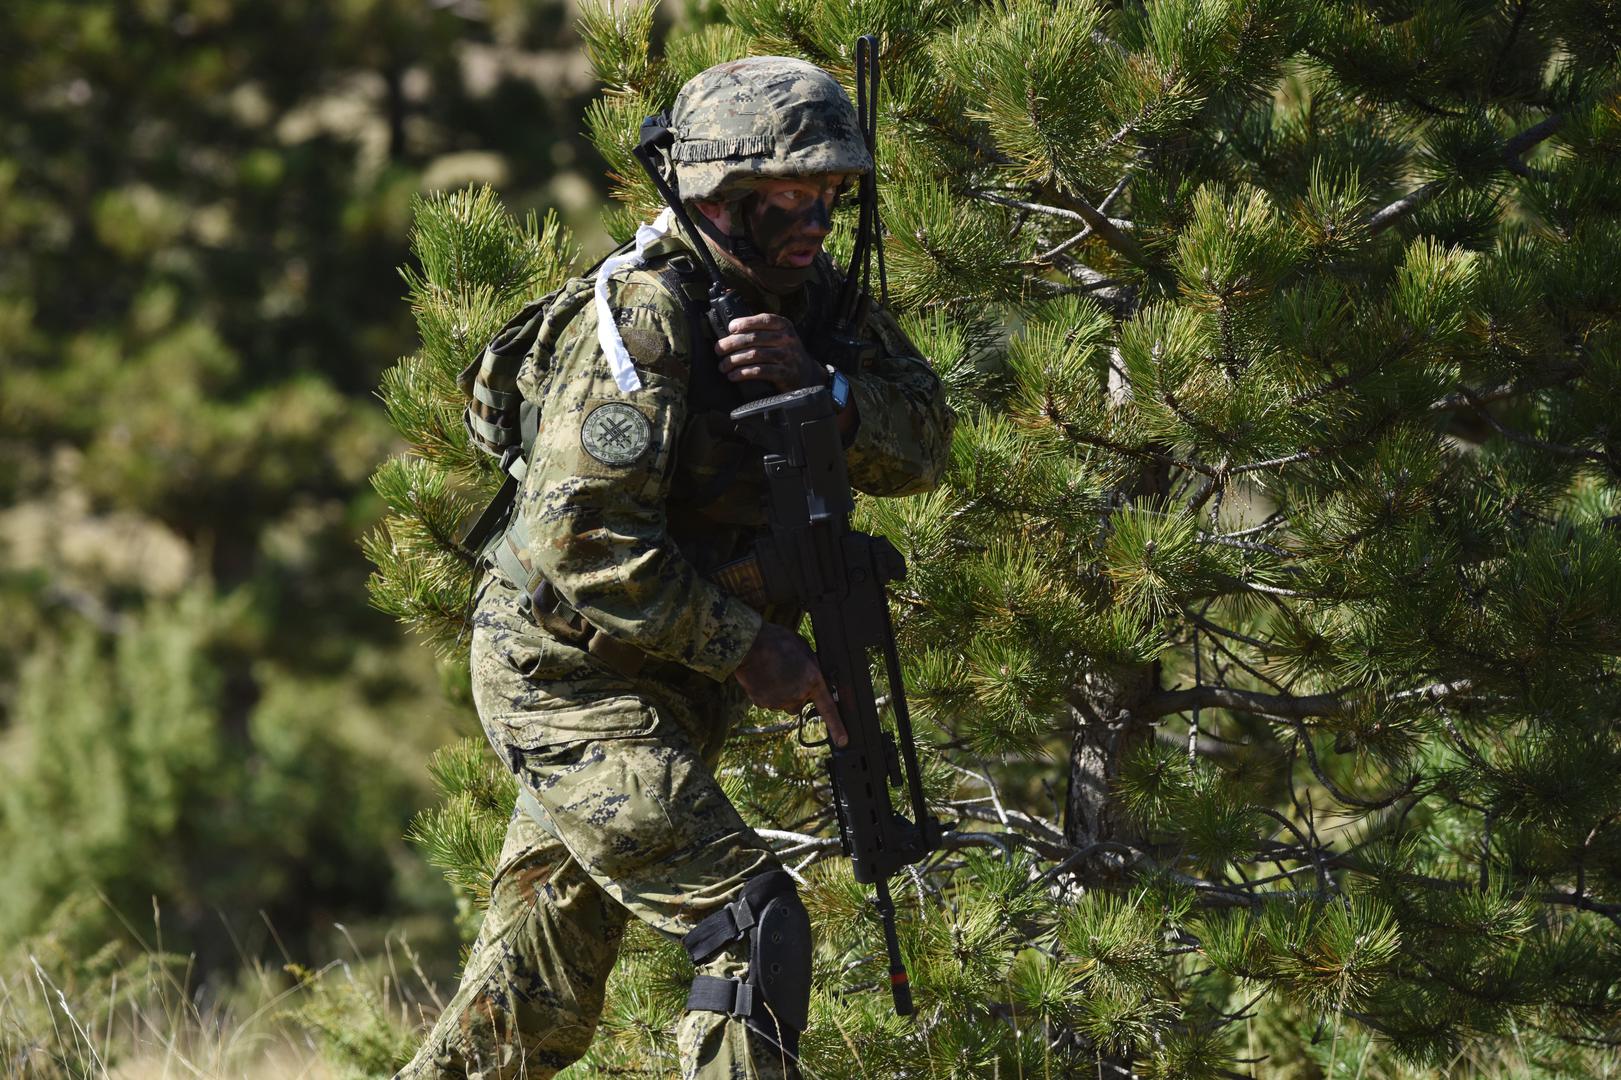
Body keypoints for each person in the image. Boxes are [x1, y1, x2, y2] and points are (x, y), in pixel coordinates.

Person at [397, 55, 953, 1080]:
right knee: (750, 925)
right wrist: (750, 650)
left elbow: (923, 445)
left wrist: (824, 389)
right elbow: (585, 544)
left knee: (531, 1006)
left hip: (668, 681)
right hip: (566, 676)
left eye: (826, 194)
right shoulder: (648, 321)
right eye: (781, 196)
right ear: (713, 198)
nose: (811, 219)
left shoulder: (819, 307)